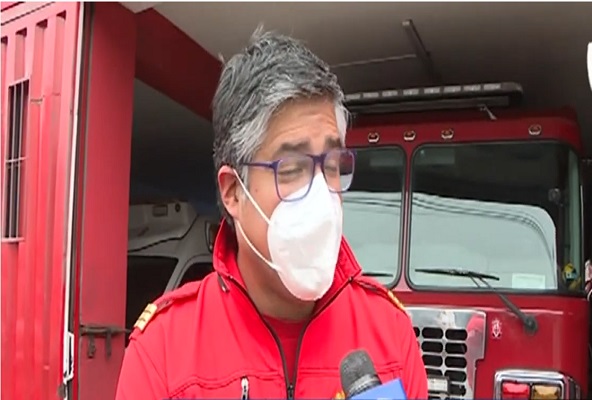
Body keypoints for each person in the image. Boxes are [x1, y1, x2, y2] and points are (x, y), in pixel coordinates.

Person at [115, 28, 428, 400]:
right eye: (292, 168)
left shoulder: (390, 333)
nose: (320, 194)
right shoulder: (163, 350)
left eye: (331, 165)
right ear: (233, 191)